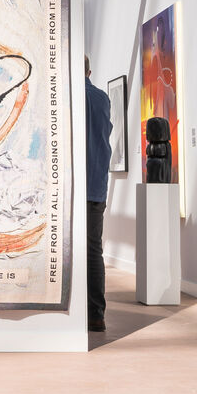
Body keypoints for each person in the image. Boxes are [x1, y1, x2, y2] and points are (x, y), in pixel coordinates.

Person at [85, 56, 113, 332]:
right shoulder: (102, 98)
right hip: (96, 184)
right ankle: (96, 314)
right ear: (89, 72)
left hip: (74, 185)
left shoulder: (69, 97)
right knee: (94, 249)